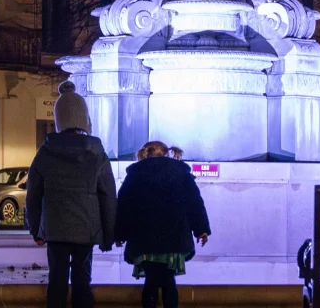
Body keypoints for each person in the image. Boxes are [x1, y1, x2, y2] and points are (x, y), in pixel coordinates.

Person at [28, 81, 116, 308]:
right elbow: (108, 196)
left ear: (59, 121)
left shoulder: (45, 152)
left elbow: (33, 195)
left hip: (55, 228)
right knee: (82, 281)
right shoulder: (97, 153)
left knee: (56, 281)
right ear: (85, 120)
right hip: (87, 229)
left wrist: (35, 229)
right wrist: (108, 234)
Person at [114, 141, 210, 308]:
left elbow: (124, 205)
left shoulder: (136, 174)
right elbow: (194, 202)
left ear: (145, 154)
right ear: (167, 154)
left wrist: (119, 234)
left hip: (144, 239)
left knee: (151, 280)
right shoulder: (181, 173)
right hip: (175, 238)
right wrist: (201, 229)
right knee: (168, 279)